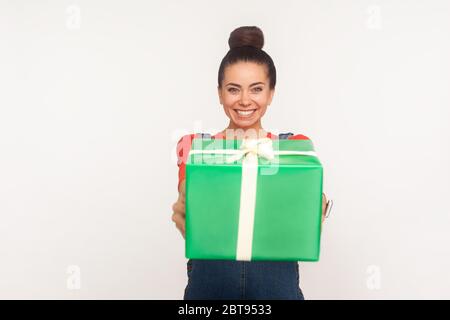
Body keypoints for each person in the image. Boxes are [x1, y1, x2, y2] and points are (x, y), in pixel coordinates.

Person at [171, 26, 331, 300]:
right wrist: (185, 210)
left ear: (271, 93)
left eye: (256, 89)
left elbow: (304, 213)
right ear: (220, 93)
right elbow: (190, 206)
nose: (245, 100)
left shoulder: (294, 148)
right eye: (233, 89)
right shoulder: (194, 146)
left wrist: (317, 209)